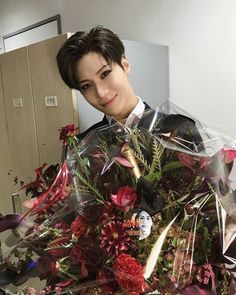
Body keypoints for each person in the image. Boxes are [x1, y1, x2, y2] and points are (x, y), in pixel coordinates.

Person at [57, 25, 203, 151]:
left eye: (105, 73)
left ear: (125, 65)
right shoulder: (81, 147)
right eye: (86, 86)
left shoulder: (179, 129)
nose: (101, 93)